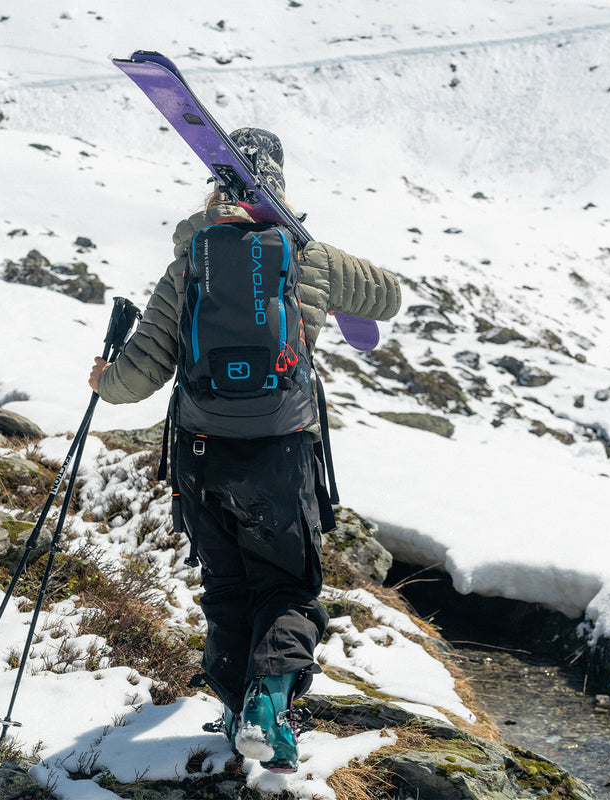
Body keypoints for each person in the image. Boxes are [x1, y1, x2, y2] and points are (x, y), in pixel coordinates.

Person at [88, 127, 401, 772]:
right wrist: (316, 253)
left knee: (227, 584)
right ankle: (268, 708)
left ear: (214, 187)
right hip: (281, 457)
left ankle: (235, 711)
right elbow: (390, 297)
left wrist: (103, 379)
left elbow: (136, 378)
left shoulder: (191, 261)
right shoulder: (306, 255)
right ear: (278, 188)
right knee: (285, 587)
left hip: (202, 458)